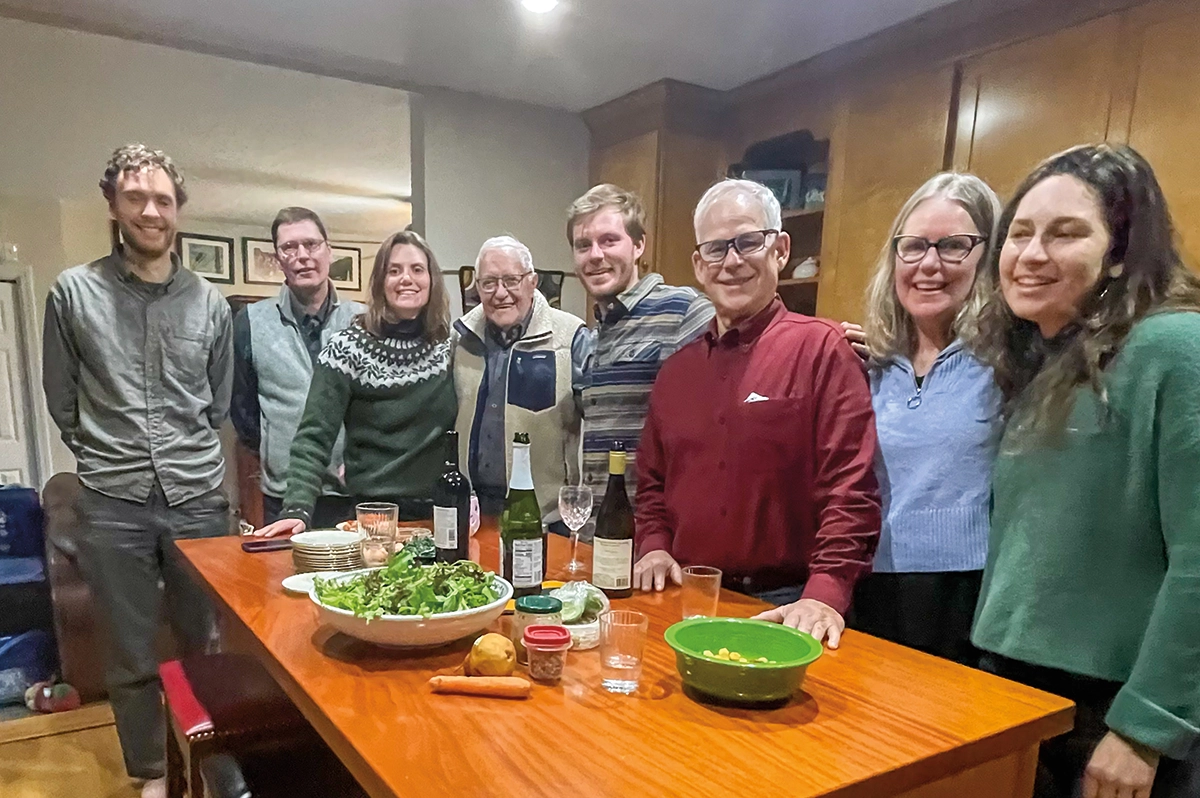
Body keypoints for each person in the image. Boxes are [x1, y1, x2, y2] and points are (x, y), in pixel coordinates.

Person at [972, 144, 1200, 798]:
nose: (1032, 254)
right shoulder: (1045, 363)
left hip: (1115, 712)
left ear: (1121, 251)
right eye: (1019, 235)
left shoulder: (1175, 349)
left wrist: (1146, 728)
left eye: (1065, 234)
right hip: (1016, 686)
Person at [42, 144, 233, 798]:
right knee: (129, 654)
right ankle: (152, 771)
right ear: (113, 205)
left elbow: (220, 399)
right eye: (136, 198)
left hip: (200, 499)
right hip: (113, 501)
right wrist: (106, 452)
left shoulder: (210, 302)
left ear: (178, 209)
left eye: (163, 200)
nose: (151, 211)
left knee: (207, 642)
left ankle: (209, 759)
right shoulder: (74, 294)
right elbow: (62, 401)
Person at [634, 179, 881, 648]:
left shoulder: (824, 350)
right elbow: (652, 485)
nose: (732, 261)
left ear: (780, 249)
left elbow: (851, 490)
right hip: (686, 597)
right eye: (716, 248)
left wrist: (825, 594)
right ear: (698, 266)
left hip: (788, 606)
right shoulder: (675, 373)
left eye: (748, 241)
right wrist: (654, 547)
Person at [849, 173, 1002, 665]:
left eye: (954, 246)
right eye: (913, 247)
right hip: (870, 584)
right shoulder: (871, 366)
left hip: (969, 595)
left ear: (990, 255)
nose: (929, 265)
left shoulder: (1011, 362)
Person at [255, 230, 456, 535]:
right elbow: (314, 436)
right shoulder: (348, 348)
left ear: (432, 280)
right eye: (394, 270)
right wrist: (297, 507)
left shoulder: (449, 346)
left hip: (439, 513)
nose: (406, 279)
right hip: (373, 516)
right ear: (380, 281)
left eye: (417, 269)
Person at [568, 184, 714, 505]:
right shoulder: (592, 336)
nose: (595, 255)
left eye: (609, 240)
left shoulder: (684, 310)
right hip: (600, 530)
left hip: (656, 535)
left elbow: (756, 361)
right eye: (583, 245)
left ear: (638, 245)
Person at [231, 207, 364, 527]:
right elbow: (244, 411)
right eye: (289, 247)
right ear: (278, 260)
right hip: (283, 496)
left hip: (352, 495)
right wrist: (277, 449)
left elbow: (376, 408)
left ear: (329, 251)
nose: (302, 255)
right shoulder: (250, 322)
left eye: (311, 244)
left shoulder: (363, 321)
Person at [451, 235, 588, 520]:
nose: (500, 293)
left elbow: (602, 421)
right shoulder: (461, 338)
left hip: (545, 517)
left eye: (511, 280)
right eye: (489, 283)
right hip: (472, 511)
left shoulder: (570, 336)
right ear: (477, 287)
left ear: (532, 281)